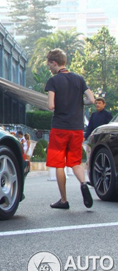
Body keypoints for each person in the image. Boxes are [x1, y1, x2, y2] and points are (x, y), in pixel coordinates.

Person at [44, 48, 96, 210]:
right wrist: (79, 103)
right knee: (75, 162)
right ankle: (83, 183)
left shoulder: (53, 81)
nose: (49, 68)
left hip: (60, 127)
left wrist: (57, 103)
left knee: (59, 164)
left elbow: (51, 105)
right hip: (77, 128)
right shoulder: (79, 79)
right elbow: (92, 99)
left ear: (54, 63)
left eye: (49, 65)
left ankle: (64, 200)